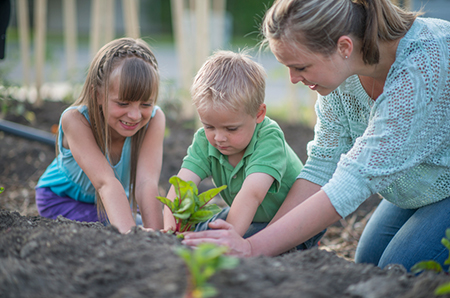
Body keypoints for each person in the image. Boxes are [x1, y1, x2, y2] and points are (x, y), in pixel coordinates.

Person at [182, 0, 450, 272]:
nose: (292, 78)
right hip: (422, 185)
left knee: (401, 270)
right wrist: (267, 244)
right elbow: (322, 166)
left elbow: (355, 178)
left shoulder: (422, 66)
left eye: (301, 66)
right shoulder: (341, 76)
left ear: (344, 47)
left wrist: (252, 248)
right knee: (369, 264)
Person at [164, 50, 324, 249]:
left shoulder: (268, 138)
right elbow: (182, 186)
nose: (219, 137)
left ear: (259, 114)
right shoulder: (204, 141)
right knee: (201, 230)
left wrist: (224, 244)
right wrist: (171, 232)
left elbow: (252, 194)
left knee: (227, 239)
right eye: (209, 126)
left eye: (231, 129)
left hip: (292, 222)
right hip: (251, 217)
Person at [35, 37, 165, 233]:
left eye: (146, 104)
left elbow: (146, 183)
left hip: (107, 204)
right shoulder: (76, 120)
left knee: (142, 225)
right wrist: (133, 236)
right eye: (123, 103)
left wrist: (158, 234)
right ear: (98, 95)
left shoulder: (155, 119)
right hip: (62, 199)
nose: (135, 115)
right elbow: (106, 183)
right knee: (117, 228)